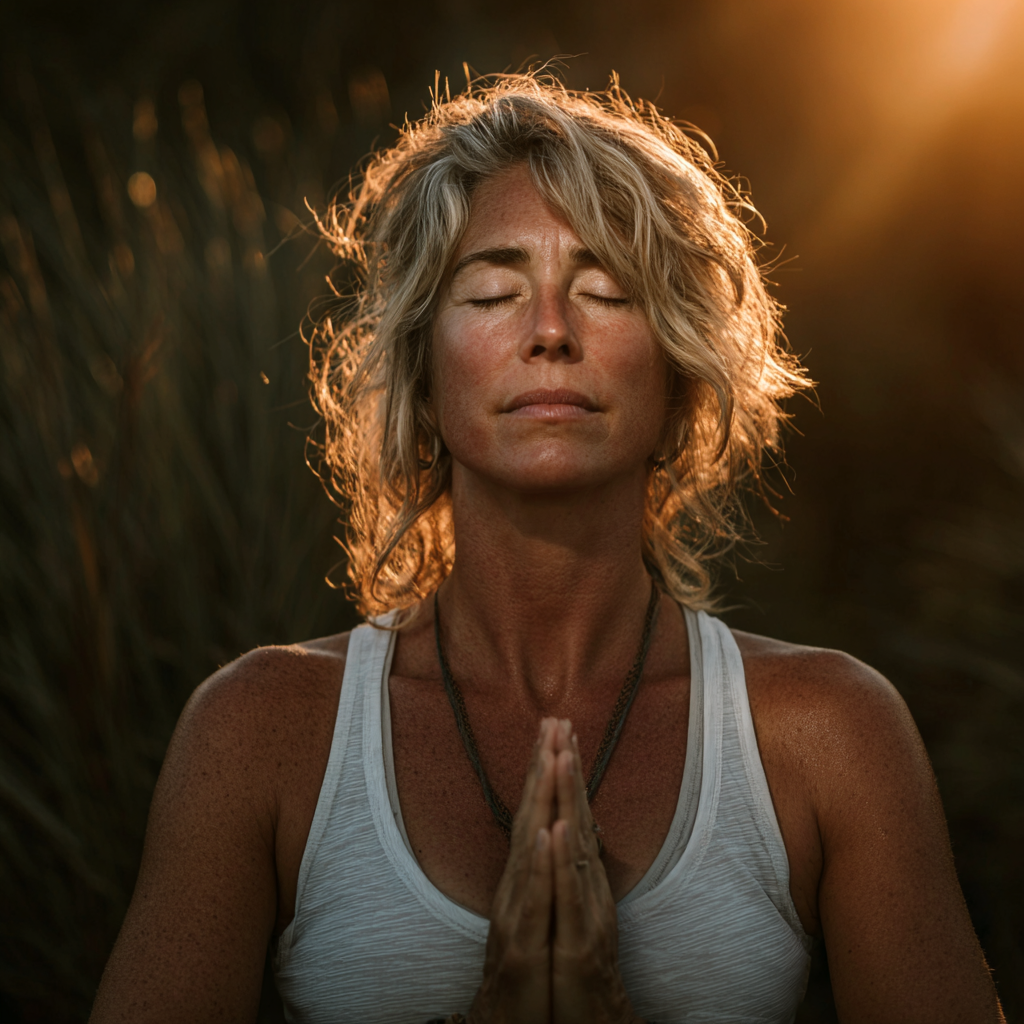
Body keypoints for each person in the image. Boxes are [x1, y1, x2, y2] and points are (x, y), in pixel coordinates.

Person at [89, 74, 1004, 1024]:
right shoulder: (260, 735)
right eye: (493, 292)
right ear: (423, 375)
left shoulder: (830, 737)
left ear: (680, 378)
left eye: (605, 290)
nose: (553, 332)